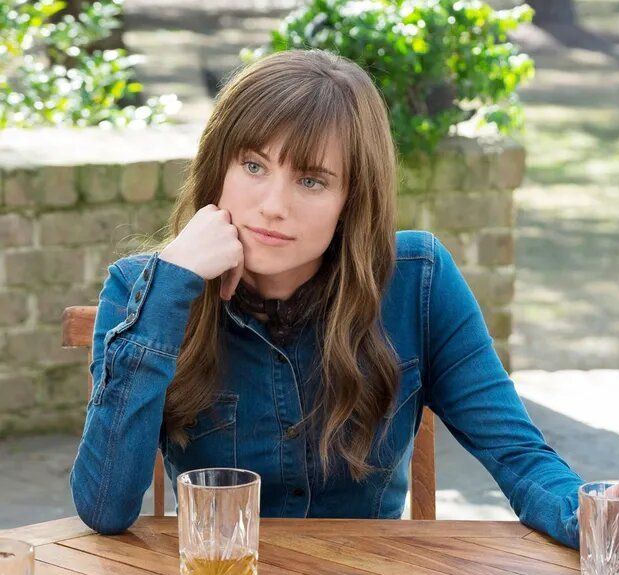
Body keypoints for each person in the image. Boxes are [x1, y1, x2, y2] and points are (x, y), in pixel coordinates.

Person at [69, 50, 582, 547]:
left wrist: (598, 516)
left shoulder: (418, 280)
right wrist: (169, 287)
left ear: (351, 200)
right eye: (253, 166)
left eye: (311, 180)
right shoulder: (140, 289)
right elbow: (104, 506)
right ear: (218, 167)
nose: (273, 206)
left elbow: (520, 457)